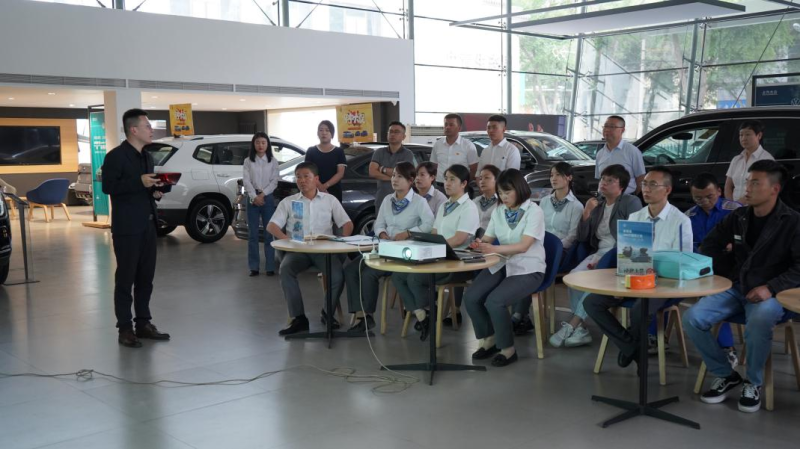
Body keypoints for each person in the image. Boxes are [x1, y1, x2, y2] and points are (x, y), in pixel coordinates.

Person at [684, 160, 800, 413]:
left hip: (772, 294)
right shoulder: (739, 216)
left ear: (775, 189)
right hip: (737, 287)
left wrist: (771, 287)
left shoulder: (792, 222)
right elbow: (710, 245)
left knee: (759, 320)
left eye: (755, 183)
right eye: (747, 182)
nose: (747, 188)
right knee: (693, 318)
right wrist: (728, 273)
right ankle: (725, 374)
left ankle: (753, 382)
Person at [584, 167, 693, 372]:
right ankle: (632, 347)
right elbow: (628, 254)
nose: (646, 189)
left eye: (653, 184)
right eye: (644, 184)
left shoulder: (680, 221)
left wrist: (655, 272)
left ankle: (632, 349)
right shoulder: (635, 217)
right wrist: (626, 275)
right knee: (592, 302)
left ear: (667, 190)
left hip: (664, 283)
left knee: (638, 309)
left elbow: (682, 262)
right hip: (634, 277)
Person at [549, 164, 642, 349]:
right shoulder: (598, 205)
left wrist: (606, 258)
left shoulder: (630, 202)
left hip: (621, 256)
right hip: (599, 253)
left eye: (610, 180)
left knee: (593, 281)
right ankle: (581, 329)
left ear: (621, 186)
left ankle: (573, 324)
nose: (603, 183)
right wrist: (586, 213)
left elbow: (633, 237)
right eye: (602, 179)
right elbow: (583, 237)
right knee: (574, 278)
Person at [101, 108, 170, 348]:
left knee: (145, 278)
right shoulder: (116, 156)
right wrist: (138, 182)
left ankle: (143, 323)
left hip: (148, 224)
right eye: (147, 126)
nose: (151, 130)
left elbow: (145, 188)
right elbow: (108, 187)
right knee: (125, 279)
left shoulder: (147, 156)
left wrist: (155, 191)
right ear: (133, 129)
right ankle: (125, 329)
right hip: (127, 227)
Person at [464, 169, 546, 367]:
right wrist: (479, 244)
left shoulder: (534, 211)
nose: (504, 197)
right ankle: (490, 338)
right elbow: (488, 238)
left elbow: (524, 246)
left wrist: (493, 248)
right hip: (502, 262)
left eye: (508, 192)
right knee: (471, 297)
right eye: (500, 193)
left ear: (519, 189)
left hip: (529, 268)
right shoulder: (499, 211)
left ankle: (508, 349)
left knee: (495, 301)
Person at [343, 162, 434, 331]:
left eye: (400, 176)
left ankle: (368, 317)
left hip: (403, 252)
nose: (394, 180)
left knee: (369, 273)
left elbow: (429, 225)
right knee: (351, 269)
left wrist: (408, 233)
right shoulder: (387, 200)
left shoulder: (419, 202)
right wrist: (382, 233)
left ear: (411, 180)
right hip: (384, 247)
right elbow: (379, 223)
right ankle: (360, 314)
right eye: (393, 176)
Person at [392, 164, 479, 341]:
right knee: (398, 275)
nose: (447, 183)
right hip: (439, 257)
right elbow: (434, 232)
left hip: (457, 262)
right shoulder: (445, 205)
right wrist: (426, 247)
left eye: (452, 179)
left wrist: (435, 248)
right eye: (446, 179)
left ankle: (429, 313)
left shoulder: (468, 207)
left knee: (415, 278)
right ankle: (424, 315)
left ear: (463, 183)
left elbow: (459, 239)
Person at [267, 162, 354, 336]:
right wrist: (286, 240)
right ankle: (299, 318)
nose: (302, 180)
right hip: (299, 251)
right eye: (298, 177)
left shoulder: (330, 200)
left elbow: (347, 223)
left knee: (337, 275)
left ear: (316, 179)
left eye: (306, 176)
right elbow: (272, 226)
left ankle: (327, 313)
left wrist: (342, 241)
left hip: (324, 251)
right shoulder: (289, 202)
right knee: (285, 270)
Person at [513, 162, 584, 335]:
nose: (554, 178)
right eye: (552, 175)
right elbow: (537, 227)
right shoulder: (544, 201)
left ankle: (518, 315)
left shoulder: (576, 206)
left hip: (560, 251)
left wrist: (553, 248)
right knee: (520, 262)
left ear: (569, 178)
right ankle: (521, 315)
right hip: (539, 246)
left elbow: (572, 236)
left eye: (558, 175)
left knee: (532, 266)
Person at [684, 173, 741, 365]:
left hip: (731, 268)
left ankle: (726, 348)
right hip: (701, 267)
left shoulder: (735, 210)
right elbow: (688, 246)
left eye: (709, 196)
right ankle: (654, 336)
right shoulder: (689, 216)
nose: (705, 202)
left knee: (712, 295)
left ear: (719, 191)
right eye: (698, 198)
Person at [243, 132, 280, 277]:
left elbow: (274, 182)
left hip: (267, 198)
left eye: (263, 142)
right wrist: (254, 196)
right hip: (252, 198)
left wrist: (262, 195)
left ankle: (270, 266)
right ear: (253, 144)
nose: (260, 145)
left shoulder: (273, 161)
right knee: (252, 234)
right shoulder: (248, 161)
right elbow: (246, 181)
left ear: (267, 145)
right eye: (257, 142)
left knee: (269, 232)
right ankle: (254, 267)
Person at [369, 121, 416, 210]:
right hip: (381, 199)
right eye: (391, 131)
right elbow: (372, 172)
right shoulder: (379, 152)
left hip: (401, 200)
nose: (392, 134)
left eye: (397, 132)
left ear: (404, 137)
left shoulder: (408, 154)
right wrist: (394, 178)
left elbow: (405, 174)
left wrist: (382, 169)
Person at [725, 120, 774, 203]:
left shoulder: (766, 159)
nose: (744, 138)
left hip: (754, 207)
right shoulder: (736, 159)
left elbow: (763, 189)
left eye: (748, 134)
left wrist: (738, 204)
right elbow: (728, 186)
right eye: (741, 135)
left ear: (759, 135)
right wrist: (730, 204)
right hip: (734, 207)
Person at [595, 115, 646, 195]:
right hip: (604, 198)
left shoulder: (632, 151)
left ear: (622, 130)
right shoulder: (600, 153)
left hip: (626, 197)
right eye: (605, 126)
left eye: (612, 127)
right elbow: (600, 178)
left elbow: (640, 178)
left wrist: (635, 198)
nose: (607, 129)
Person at [430, 113, 478, 188]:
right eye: (446, 124)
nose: (447, 127)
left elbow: (474, 169)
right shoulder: (438, 144)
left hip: (459, 187)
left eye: (451, 125)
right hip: (440, 186)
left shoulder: (468, 146)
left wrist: (464, 184)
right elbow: (434, 166)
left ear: (459, 128)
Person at [304, 120, 347, 202]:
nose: (324, 133)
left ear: (332, 134)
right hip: (314, 191)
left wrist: (325, 186)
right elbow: (308, 172)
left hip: (334, 191)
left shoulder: (339, 151)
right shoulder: (311, 151)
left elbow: (340, 173)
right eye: (321, 130)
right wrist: (320, 187)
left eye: (327, 130)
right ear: (317, 133)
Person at [473, 164, 500, 231]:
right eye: (480, 178)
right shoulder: (475, 201)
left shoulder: (503, 202)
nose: (482, 181)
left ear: (497, 180)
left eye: (487, 177)